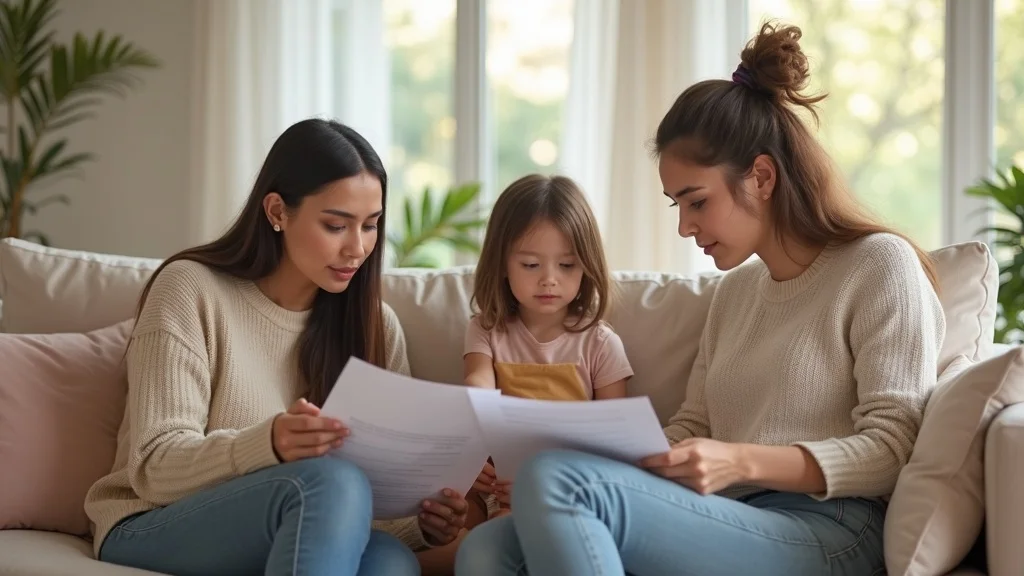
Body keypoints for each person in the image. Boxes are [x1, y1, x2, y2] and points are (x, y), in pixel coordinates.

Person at [454, 21, 946, 576]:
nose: (685, 227)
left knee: (556, 480)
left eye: (697, 201)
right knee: (488, 547)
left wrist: (738, 460)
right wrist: (606, 458)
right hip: (723, 513)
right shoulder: (735, 293)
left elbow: (891, 447)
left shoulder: (879, 265)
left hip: (831, 528)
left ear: (761, 176)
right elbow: (693, 425)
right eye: (676, 206)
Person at [84, 118, 480, 576]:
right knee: (328, 483)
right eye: (336, 225)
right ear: (277, 211)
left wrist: (425, 523)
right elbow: (154, 469)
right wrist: (267, 444)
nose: (358, 247)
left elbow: (368, 514)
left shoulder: (375, 326)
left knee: (389, 561)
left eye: (371, 226)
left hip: (294, 522)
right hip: (149, 524)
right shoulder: (190, 289)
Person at [463, 174, 633, 517]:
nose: (549, 279)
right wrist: (471, 455)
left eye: (567, 265)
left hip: (568, 489)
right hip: (498, 485)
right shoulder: (487, 329)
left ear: (586, 265)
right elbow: (477, 384)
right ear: (502, 265)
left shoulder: (600, 342)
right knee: (452, 506)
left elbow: (615, 443)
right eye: (530, 265)